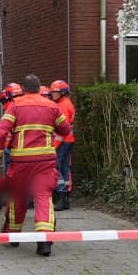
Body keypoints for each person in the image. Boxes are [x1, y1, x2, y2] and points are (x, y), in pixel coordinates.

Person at [0, 75, 72, 256]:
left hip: (20, 162)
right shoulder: (52, 106)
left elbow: (1, 133)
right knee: (43, 197)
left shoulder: (15, 106)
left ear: (24, 89)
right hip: (45, 162)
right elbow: (66, 129)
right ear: (39, 88)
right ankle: (44, 241)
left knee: (17, 197)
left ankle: (12, 235)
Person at [50, 80, 76, 211]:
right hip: (68, 141)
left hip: (63, 141)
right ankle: (66, 197)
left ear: (62, 93)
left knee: (56, 166)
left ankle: (61, 195)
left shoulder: (63, 106)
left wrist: (54, 145)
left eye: (55, 92)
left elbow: (62, 129)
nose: (52, 94)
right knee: (65, 168)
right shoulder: (66, 103)